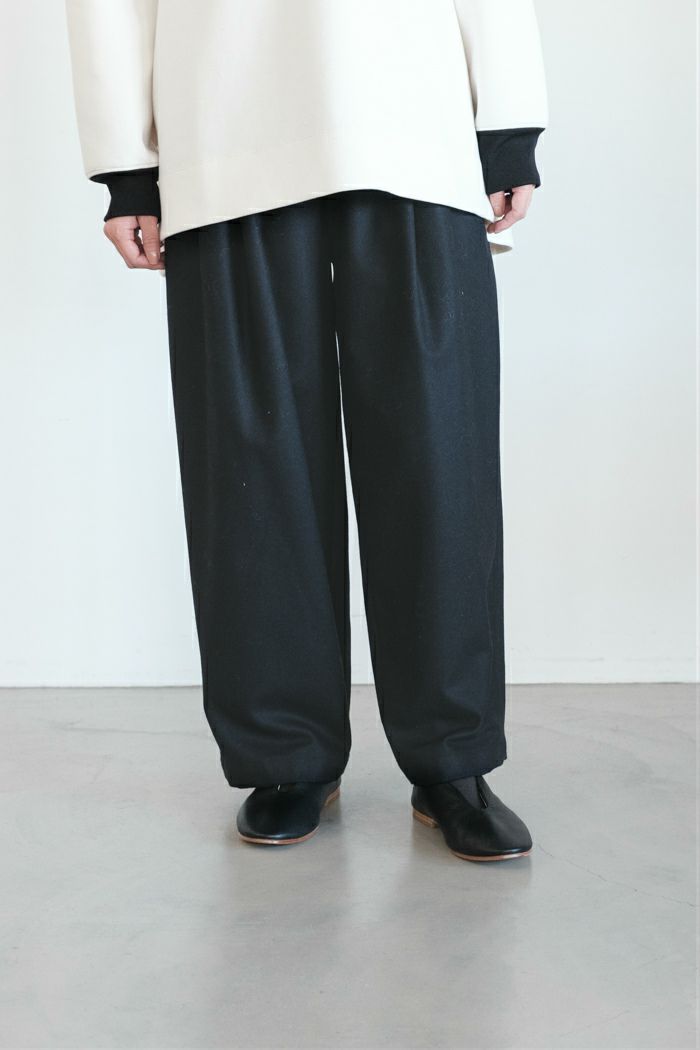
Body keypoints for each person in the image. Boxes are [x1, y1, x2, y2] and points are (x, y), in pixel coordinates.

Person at [65, 0, 548, 861]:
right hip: (223, 122)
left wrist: (506, 124)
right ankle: (286, 756)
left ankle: (453, 758)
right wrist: (127, 167)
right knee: (249, 463)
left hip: (414, 120)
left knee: (440, 458)